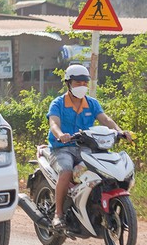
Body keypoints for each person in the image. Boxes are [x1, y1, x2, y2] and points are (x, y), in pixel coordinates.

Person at [46, 63, 130, 229]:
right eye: (78, 83)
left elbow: (105, 120)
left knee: (103, 172)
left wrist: (120, 131)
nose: (82, 86)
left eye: (85, 83)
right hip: (61, 148)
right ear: (68, 83)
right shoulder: (58, 104)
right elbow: (54, 124)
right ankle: (58, 215)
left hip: (86, 149)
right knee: (66, 171)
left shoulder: (91, 103)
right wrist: (60, 135)